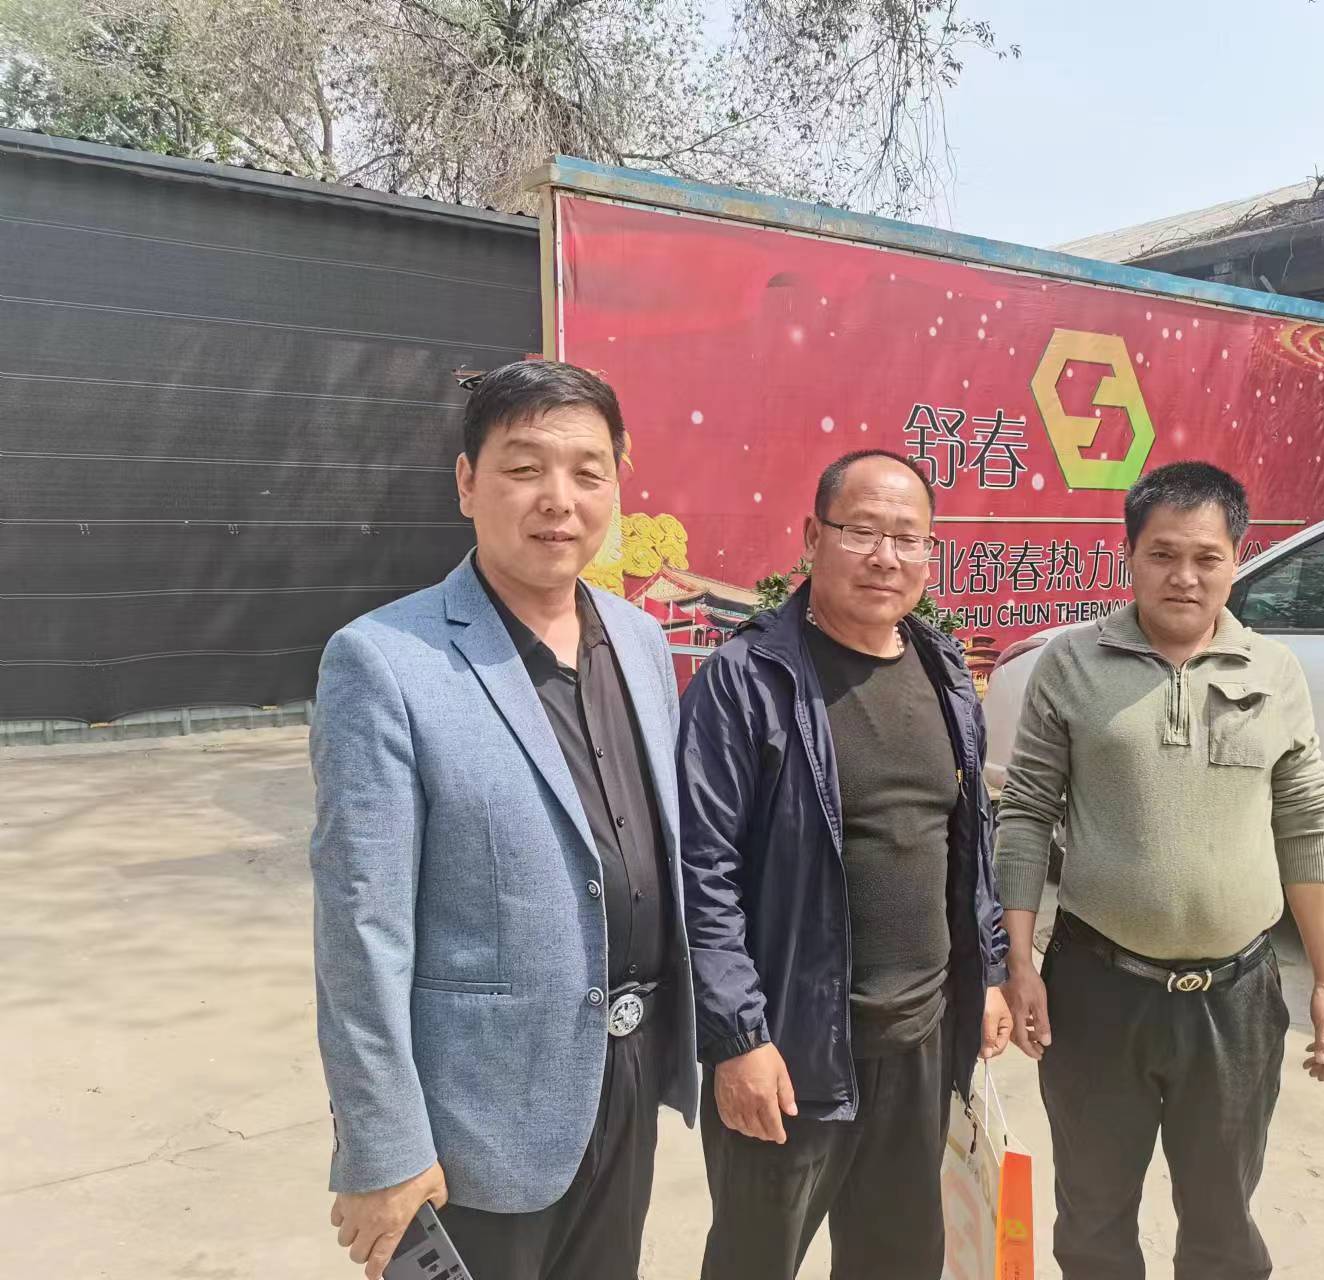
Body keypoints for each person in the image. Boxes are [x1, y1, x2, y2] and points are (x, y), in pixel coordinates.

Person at [309, 360, 696, 1280]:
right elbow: (361, 932)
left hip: (626, 1080)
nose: (558, 499)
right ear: (467, 483)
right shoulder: (384, 662)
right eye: (524, 468)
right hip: (476, 1124)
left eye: (588, 471)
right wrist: (383, 1147)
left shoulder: (641, 641)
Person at [997, 460, 1324, 1280]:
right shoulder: (1072, 664)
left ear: (1238, 557)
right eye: (1161, 554)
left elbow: (1307, 825)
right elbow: (1024, 815)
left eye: (1205, 557)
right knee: (1092, 1219)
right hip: (1097, 992)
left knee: (1223, 1222)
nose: (1183, 577)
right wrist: (1018, 963)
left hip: (1236, 999)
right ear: (1128, 555)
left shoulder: (1274, 672)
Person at [676, 449, 1013, 1280]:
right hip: (791, 1052)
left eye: (907, 538)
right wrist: (738, 1038)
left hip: (921, 1041)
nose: (885, 557)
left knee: (898, 1262)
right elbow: (702, 871)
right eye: (861, 531)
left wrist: (990, 976)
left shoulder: (944, 671)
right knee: (755, 1263)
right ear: (811, 537)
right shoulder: (747, 681)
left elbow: (967, 846)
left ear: (930, 552)